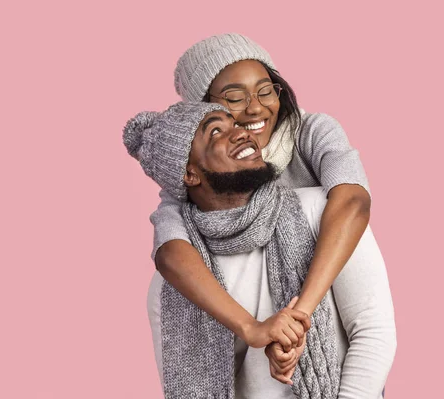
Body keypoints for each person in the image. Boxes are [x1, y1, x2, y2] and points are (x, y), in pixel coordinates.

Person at [123, 102, 396, 398]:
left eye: (234, 124)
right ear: (189, 174)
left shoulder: (321, 213)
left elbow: (373, 332)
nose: (240, 133)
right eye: (216, 131)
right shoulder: (173, 285)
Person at [150, 34, 376, 368]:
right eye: (234, 97)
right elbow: (169, 252)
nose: (256, 107)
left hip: (333, 331)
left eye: (266, 90)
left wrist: (297, 318)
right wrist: (253, 329)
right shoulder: (195, 178)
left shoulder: (312, 134)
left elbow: (352, 201)